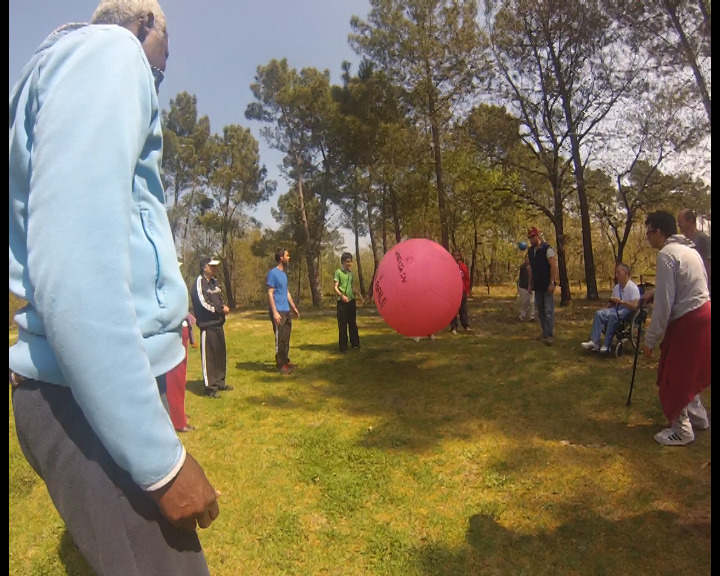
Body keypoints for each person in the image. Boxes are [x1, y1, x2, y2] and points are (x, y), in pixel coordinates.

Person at [9, 2, 219, 575]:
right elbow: (73, 270)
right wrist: (161, 464)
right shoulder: (110, 52)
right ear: (144, 25)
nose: (159, 77)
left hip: (83, 387)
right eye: (163, 61)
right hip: (83, 393)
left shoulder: (62, 71)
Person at [642, 211, 711, 446]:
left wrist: (650, 340)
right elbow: (689, 283)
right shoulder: (689, 250)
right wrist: (655, 291)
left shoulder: (666, 254)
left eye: (649, 232)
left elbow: (664, 305)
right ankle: (699, 418)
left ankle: (682, 430)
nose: (648, 237)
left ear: (659, 232)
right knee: (689, 372)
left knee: (673, 374)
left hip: (688, 320)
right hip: (704, 313)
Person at [191, 258, 233, 398]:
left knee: (220, 356)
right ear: (204, 267)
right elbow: (203, 303)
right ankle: (210, 388)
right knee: (209, 357)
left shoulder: (215, 282)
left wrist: (224, 306)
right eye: (212, 266)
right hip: (207, 325)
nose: (215, 268)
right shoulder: (199, 282)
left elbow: (220, 298)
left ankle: (220, 382)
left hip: (218, 324)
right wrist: (220, 310)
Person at [580, 263, 640, 353]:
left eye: (618, 273)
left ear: (626, 274)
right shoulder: (616, 288)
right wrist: (604, 308)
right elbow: (612, 303)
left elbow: (635, 306)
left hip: (627, 311)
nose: (616, 275)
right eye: (616, 273)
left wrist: (621, 302)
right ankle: (594, 342)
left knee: (613, 315)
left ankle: (606, 345)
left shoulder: (633, 288)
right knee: (599, 314)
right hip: (616, 308)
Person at [267, 248, 300, 374]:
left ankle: (286, 360)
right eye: (287, 255)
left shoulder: (284, 274)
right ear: (281, 257)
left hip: (286, 310)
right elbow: (270, 294)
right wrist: (275, 312)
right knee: (280, 338)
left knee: (286, 337)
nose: (289, 257)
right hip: (278, 310)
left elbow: (286, 292)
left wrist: (294, 308)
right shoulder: (273, 273)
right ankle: (281, 365)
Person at [526, 226, 559, 345]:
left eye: (532, 237)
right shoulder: (531, 251)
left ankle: (550, 335)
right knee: (540, 310)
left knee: (548, 310)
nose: (531, 239)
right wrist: (529, 284)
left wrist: (552, 283)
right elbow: (531, 268)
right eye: (529, 237)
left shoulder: (547, 249)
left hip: (547, 284)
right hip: (537, 285)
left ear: (538, 236)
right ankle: (544, 331)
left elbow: (553, 266)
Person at [166, 312, 196, 432]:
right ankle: (178, 421)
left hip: (178, 329)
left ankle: (178, 414)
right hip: (174, 332)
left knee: (179, 377)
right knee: (175, 378)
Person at [677, 209, 711, 294]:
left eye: (680, 221)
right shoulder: (682, 241)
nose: (678, 224)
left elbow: (708, 263)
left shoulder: (702, 239)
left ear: (690, 221)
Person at [334, 252, 361, 352]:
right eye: (347, 262)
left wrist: (358, 294)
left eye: (350, 262)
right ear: (343, 262)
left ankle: (355, 344)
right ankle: (343, 347)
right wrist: (342, 296)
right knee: (343, 324)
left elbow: (351, 287)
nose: (349, 264)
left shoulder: (351, 274)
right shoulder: (338, 272)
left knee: (352, 323)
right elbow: (335, 287)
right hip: (342, 302)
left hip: (351, 301)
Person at [449, 249, 472, 334]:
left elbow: (466, 279)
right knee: (453, 310)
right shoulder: (449, 266)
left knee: (463, 309)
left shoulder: (463, 267)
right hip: (453, 291)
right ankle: (453, 327)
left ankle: (466, 325)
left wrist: (466, 290)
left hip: (462, 291)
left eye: (458, 255)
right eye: (455, 255)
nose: (457, 257)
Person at [517, 253, 535, 322]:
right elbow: (521, 278)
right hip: (523, 286)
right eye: (526, 258)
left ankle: (532, 316)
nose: (528, 259)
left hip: (532, 287)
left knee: (531, 302)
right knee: (523, 302)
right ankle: (522, 315)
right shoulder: (522, 267)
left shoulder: (534, 267)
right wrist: (519, 286)